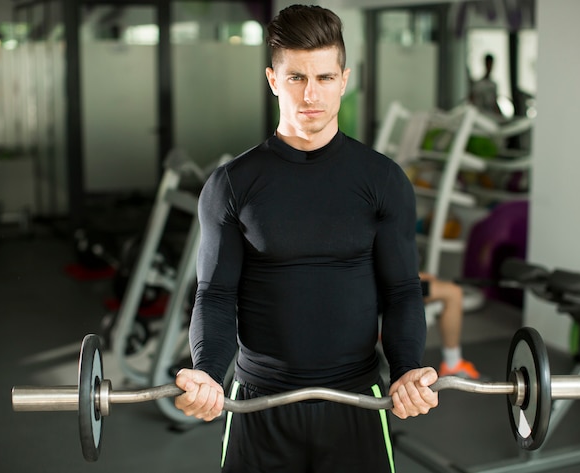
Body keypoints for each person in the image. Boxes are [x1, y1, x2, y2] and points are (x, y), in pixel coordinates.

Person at [174, 5, 438, 472]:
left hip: (358, 400)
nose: (311, 94)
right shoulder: (232, 184)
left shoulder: (383, 180)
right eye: (296, 77)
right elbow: (215, 294)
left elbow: (401, 291)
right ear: (273, 80)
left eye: (324, 77)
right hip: (258, 403)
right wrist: (208, 375)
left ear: (344, 79)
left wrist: (405, 371)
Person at [420, 273, 481, 379]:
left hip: (390, 281)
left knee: (441, 285)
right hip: (390, 284)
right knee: (453, 292)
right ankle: (453, 365)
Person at [469, 53, 504, 119]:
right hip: (479, 117)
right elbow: (471, 101)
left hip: (490, 117)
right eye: (488, 64)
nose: (490, 67)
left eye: (491, 64)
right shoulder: (477, 85)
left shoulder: (493, 85)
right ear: (485, 64)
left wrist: (501, 116)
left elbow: (494, 103)